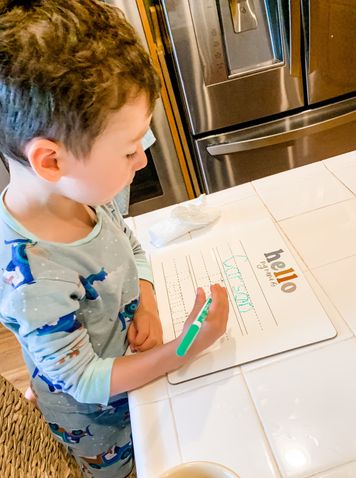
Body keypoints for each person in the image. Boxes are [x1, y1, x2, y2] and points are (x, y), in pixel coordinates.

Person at [0, 1, 229, 477]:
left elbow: (130, 246)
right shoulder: (31, 278)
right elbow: (83, 379)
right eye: (129, 150)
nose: (141, 163)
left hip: (138, 381)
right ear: (51, 161)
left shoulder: (85, 193)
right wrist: (187, 345)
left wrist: (143, 300)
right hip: (103, 431)